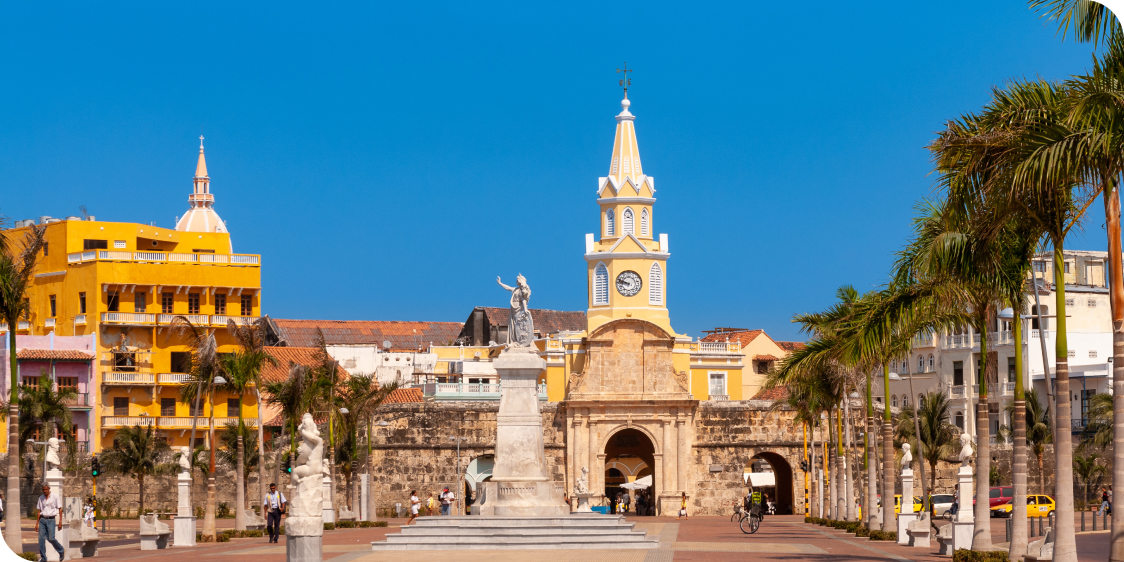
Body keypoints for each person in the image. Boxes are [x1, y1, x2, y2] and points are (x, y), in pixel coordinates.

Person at [37, 484, 64, 562]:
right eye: (43, 489)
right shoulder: (41, 498)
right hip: (42, 520)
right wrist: (37, 523)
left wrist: (60, 522)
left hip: (51, 520)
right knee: (41, 539)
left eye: (46, 489)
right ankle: (43, 558)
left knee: (51, 538)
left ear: (49, 488)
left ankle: (61, 550)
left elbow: (60, 509)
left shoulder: (55, 496)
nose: (44, 491)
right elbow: (39, 511)